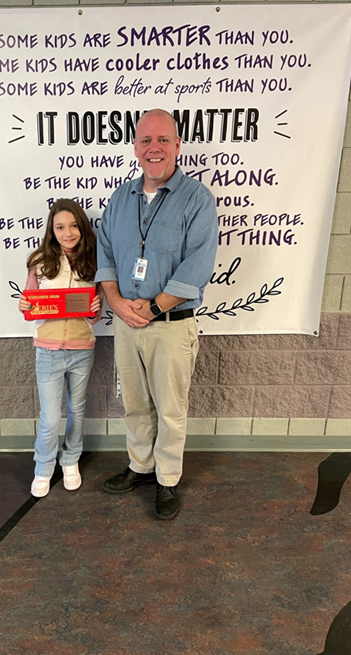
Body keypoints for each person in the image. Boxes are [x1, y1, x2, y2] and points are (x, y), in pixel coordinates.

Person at [95, 108, 218, 520]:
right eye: (146, 140)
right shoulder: (119, 198)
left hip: (169, 326)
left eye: (163, 140)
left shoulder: (197, 200)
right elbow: (106, 252)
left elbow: (198, 265)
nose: (154, 148)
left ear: (178, 146)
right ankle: (140, 467)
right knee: (134, 403)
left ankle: (167, 480)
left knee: (169, 408)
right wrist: (114, 300)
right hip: (127, 324)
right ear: (135, 147)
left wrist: (152, 306)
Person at [19, 199, 102, 498]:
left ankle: (70, 461)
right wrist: (25, 304)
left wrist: (94, 308)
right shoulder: (40, 262)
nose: (68, 233)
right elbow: (31, 306)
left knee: (76, 411)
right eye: (60, 227)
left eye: (73, 225)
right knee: (50, 417)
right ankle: (43, 467)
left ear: (82, 226)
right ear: (51, 230)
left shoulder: (93, 261)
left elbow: (95, 314)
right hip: (49, 351)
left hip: (82, 349)